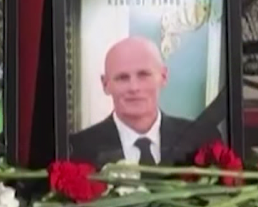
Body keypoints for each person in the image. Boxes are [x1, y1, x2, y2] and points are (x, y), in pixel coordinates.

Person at [68, 35, 218, 169]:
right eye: (122, 78)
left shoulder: (203, 140)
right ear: (105, 84)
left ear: (164, 77)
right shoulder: (76, 149)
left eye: (143, 75)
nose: (134, 88)